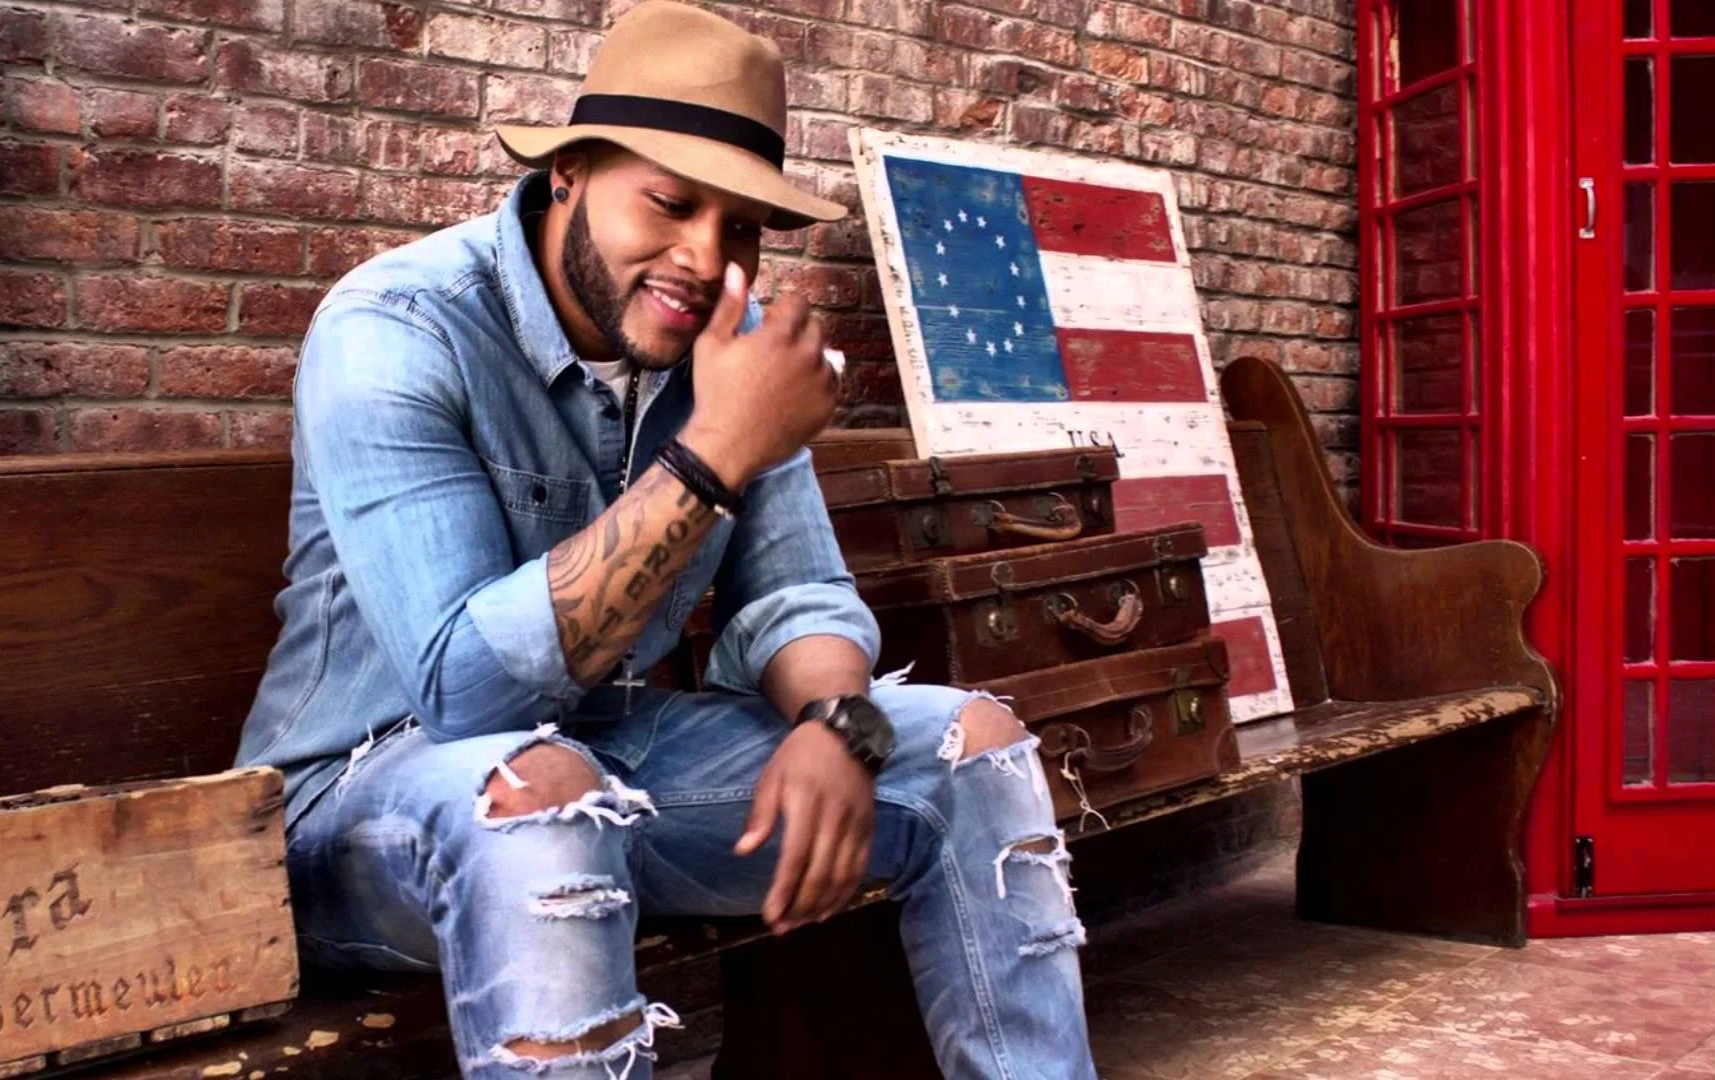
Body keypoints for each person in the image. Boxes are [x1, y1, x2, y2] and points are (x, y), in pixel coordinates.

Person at [233, 2, 1097, 1077]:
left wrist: (841, 727)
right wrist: (714, 453)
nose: (705, 258)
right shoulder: (397, 328)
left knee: (974, 747)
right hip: (352, 814)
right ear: (571, 172)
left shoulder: (726, 344)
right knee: (542, 798)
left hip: (617, 763)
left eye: (742, 227)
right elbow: (462, 692)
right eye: (672, 203)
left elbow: (798, 594)